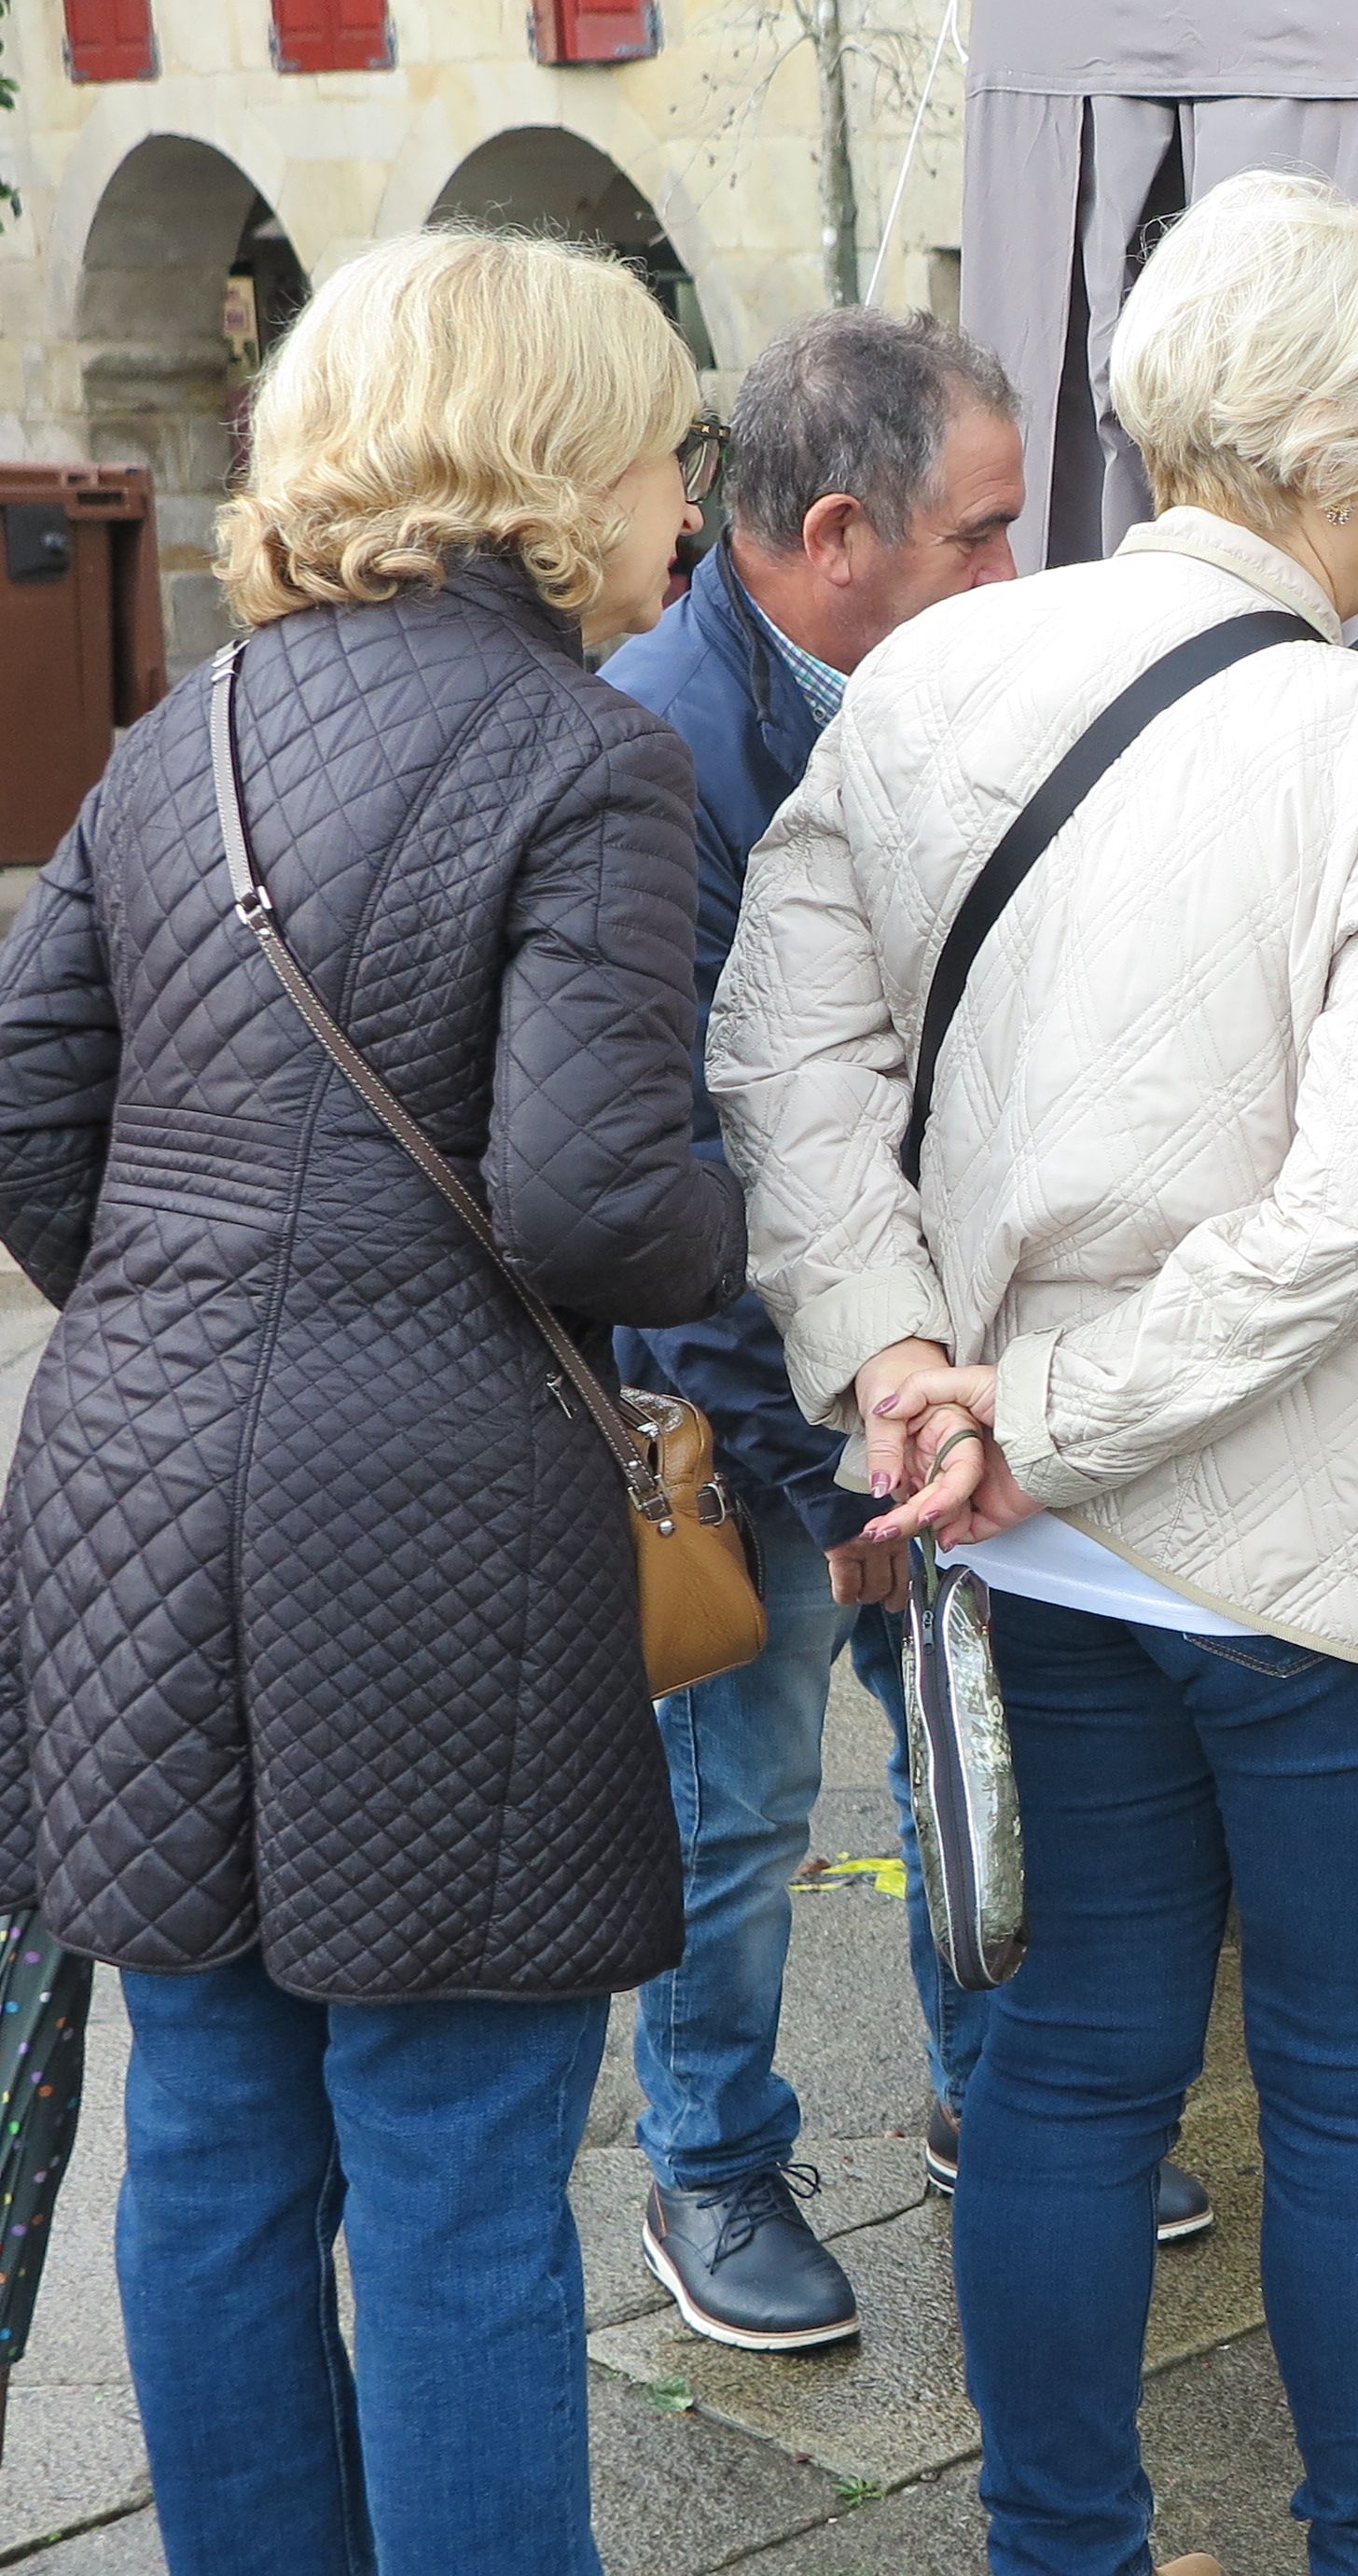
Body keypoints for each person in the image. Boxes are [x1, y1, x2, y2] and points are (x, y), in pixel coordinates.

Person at [712, 169, 1358, 2575]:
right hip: (1329, 1538)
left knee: (1072, 2084)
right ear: (1344, 442)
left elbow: (783, 1064)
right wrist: (1004, 1411)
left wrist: (907, 1369)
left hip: (1034, 1543)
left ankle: (1056, 2552)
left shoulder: (926, 688)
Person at [0, 230, 746, 2573]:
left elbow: (29, 1108)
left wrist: (174, 1321)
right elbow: (595, 1204)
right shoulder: (590, 756)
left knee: (212, 2135)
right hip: (428, 1530)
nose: (685, 512)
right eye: (662, 449)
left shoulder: (178, 730)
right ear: (547, 460)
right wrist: (776, 1246)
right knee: (449, 2160)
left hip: (122, 1481)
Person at [602, 305, 1211, 2356]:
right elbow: (670, 1162)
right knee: (740, 1803)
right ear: (839, 530)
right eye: (981, 534)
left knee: (967, 1758)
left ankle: (992, 2103)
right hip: (741, 1416)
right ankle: (709, 2166)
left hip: (919, 1386)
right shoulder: (660, 747)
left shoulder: (942, 684)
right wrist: (821, 1467)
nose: (1017, 579)